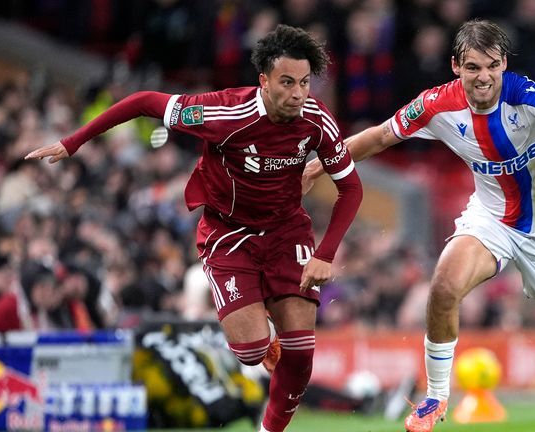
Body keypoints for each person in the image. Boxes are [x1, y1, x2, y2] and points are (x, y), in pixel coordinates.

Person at [26, 24, 363, 432]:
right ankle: (264, 342)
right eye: (287, 82)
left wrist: (325, 254)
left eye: (305, 83)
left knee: (302, 353)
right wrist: (74, 141)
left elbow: (351, 188)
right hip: (228, 235)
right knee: (253, 351)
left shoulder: (316, 119)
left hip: (286, 232)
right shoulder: (225, 113)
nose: (298, 93)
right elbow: (144, 101)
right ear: (264, 80)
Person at [304, 19, 535, 432]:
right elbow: (380, 137)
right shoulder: (436, 104)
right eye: (473, 67)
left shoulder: (528, 95)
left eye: (491, 65)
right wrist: (319, 164)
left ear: (504, 63)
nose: (483, 76)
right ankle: (435, 396)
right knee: (444, 285)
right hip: (491, 220)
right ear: (456, 66)